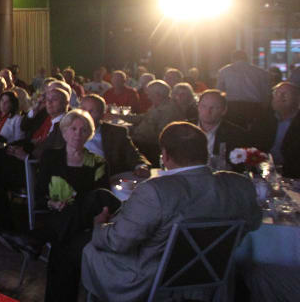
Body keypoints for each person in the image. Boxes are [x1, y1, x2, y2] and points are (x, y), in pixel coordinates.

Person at [81, 122, 262, 302]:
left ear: (165, 156)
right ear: (205, 152)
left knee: (91, 250)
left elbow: (119, 242)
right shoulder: (240, 186)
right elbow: (254, 223)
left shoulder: (155, 191)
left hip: (154, 281)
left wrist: (99, 227)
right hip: (213, 278)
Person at [0, 110, 121, 302]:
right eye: (73, 128)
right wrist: (51, 202)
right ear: (64, 132)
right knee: (66, 246)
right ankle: (37, 239)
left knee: (97, 198)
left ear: (89, 134)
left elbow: (101, 203)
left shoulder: (97, 163)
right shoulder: (51, 157)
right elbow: (38, 195)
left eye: (83, 129)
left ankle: (35, 239)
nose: (78, 133)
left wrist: (98, 217)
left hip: (86, 223)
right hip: (56, 216)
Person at [80, 94, 150, 179]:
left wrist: (141, 166)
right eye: (83, 110)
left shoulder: (116, 132)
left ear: (102, 115)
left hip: (106, 178)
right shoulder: (65, 130)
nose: (86, 114)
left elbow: (132, 154)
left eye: (92, 111)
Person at [195, 89, 246, 170]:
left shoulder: (236, 134)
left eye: (214, 108)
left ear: (224, 110)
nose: (207, 111)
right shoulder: (183, 129)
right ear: (198, 107)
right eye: (203, 106)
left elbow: (238, 167)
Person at [271, 81, 300, 176]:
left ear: (297, 98)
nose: (280, 97)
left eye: (285, 94)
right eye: (277, 94)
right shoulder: (265, 120)